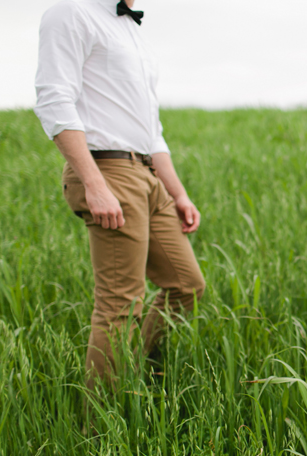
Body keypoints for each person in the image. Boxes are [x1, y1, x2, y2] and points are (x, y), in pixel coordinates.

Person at [34, 0, 205, 391]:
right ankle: (101, 430)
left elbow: (150, 128)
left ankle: (130, 373)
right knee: (119, 306)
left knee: (186, 285)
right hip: (108, 170)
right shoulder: (72, 13)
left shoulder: (131, 30)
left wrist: (177, 193)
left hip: (147, 172)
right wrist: (94, 183)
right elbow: (54, 100)